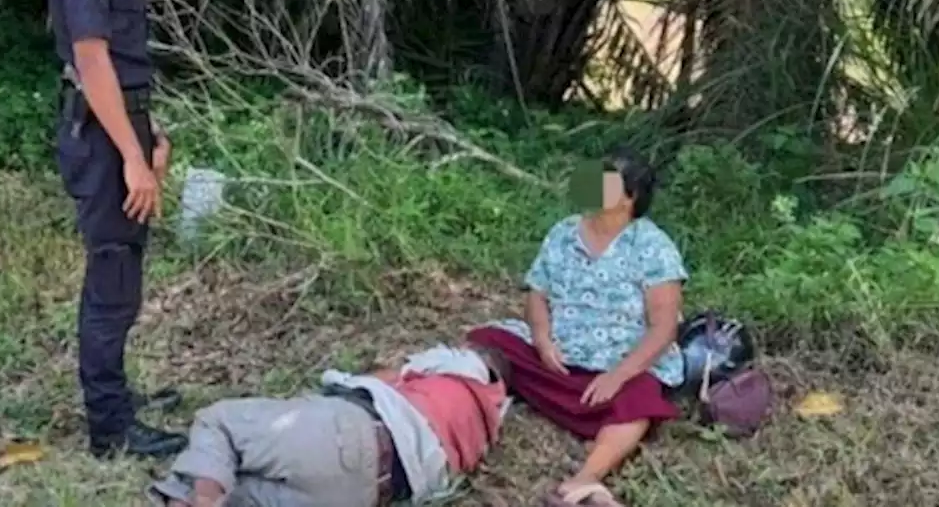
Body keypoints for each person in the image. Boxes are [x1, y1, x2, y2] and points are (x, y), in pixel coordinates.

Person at [46, 0, 183, 459]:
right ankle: (110, 428)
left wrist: (148, 134)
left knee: (122, 277)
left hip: (119, 130)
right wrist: (130, 157)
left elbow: (121, 66)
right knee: (111, 278)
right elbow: (91, 59)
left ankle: (118, 397)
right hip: (102, 145)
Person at [466, 148, 688, 507]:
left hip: (618, 360)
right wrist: (541, 338)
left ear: (628, 197)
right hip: (559, 351)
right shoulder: (564, 232)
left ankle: (584, 480)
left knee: (640, 398)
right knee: (489, 341)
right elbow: (537, 292)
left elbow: (663, 329)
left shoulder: (653, 247)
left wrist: (617, 376)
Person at [146, 345, 512, 507]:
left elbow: (389, 376)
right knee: (228, 481)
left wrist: (341, 378)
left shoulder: (461, 364)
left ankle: (203, 497)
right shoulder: (489, 424)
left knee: (218, 422)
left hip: (356, 433)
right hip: (365, 496)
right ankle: (200, 493)